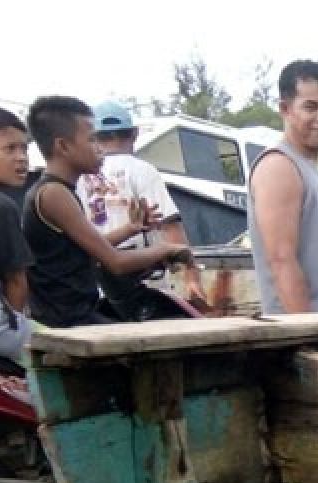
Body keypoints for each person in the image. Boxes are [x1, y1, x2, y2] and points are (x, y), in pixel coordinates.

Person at [22, 96, 190, 328]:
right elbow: (115, 262)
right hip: (68, 321)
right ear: (63, 146)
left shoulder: (60, 190)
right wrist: (167, 249)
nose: (100, 148)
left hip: (72, 315)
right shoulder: (53, 194)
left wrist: (130, 229)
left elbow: (87, 249)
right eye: (92, 139)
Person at [75, 101, 206, 315]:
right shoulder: (141, 170)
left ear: (94, 138)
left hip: (96, 285)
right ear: (134, 134)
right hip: (141, 283)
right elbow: (170, 227)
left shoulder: (80, 177)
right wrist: (192, 279)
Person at [248, 60, 318, 314]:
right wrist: (307, 337)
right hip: (305, 340)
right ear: (285, 109)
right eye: (311, 108)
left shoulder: (310, 170)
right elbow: (281, 260)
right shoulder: (279, 167)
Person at [0, 104, 35, 363]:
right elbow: (16, 282)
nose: (21, 158)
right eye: (9, 149)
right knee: (69, 349)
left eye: (24, 148)